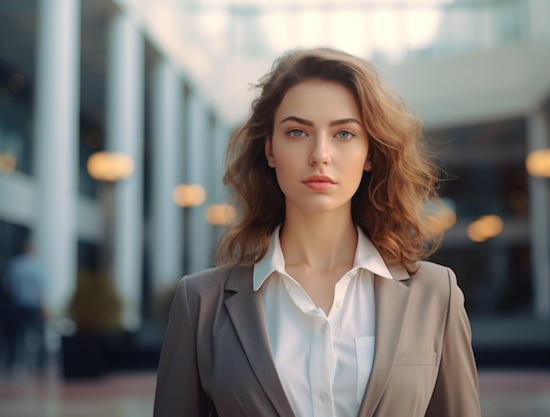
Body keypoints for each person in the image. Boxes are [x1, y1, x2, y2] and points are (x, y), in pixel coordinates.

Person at [154, 47, 481, 417]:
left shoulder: (436, 294)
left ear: (370, 153)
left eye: (343, 133)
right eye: (297, 132)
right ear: (270, 150)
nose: (320, 154)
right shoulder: (201, 303)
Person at [4, 240, 48, 376]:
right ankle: (40, 366)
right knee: (39, 336)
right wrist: (45, 308)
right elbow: (41, 292)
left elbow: (7, 287)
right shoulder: (37, 267)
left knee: (16, 336)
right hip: (33, 306)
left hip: (16, 305)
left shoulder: (15, 265)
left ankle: (15, 364)